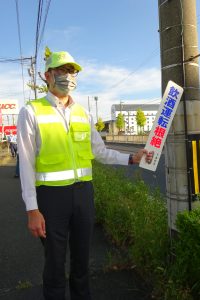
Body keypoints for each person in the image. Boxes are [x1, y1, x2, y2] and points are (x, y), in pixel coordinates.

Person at [17, 49, 153, 300]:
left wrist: (130, 158)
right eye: (62, 71)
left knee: (81, 263)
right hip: (50, 199)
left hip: (83, 195)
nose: (68, 77)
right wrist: (32, 209)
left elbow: (99, 152)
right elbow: (25, 163)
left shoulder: (83, 113)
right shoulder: (31, 111)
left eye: (72, 72)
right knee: (55, 265)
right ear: (47, 75)